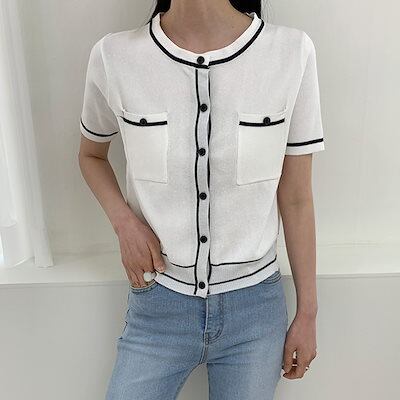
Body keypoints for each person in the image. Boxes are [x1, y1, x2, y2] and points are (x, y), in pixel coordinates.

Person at [78, 0, 324, 398]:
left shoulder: (291, 52)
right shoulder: (115, 55)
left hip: (255, 314)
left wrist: (307, 313)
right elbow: (91, 155)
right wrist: (124, 224)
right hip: (158, 305)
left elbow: (296, 198)